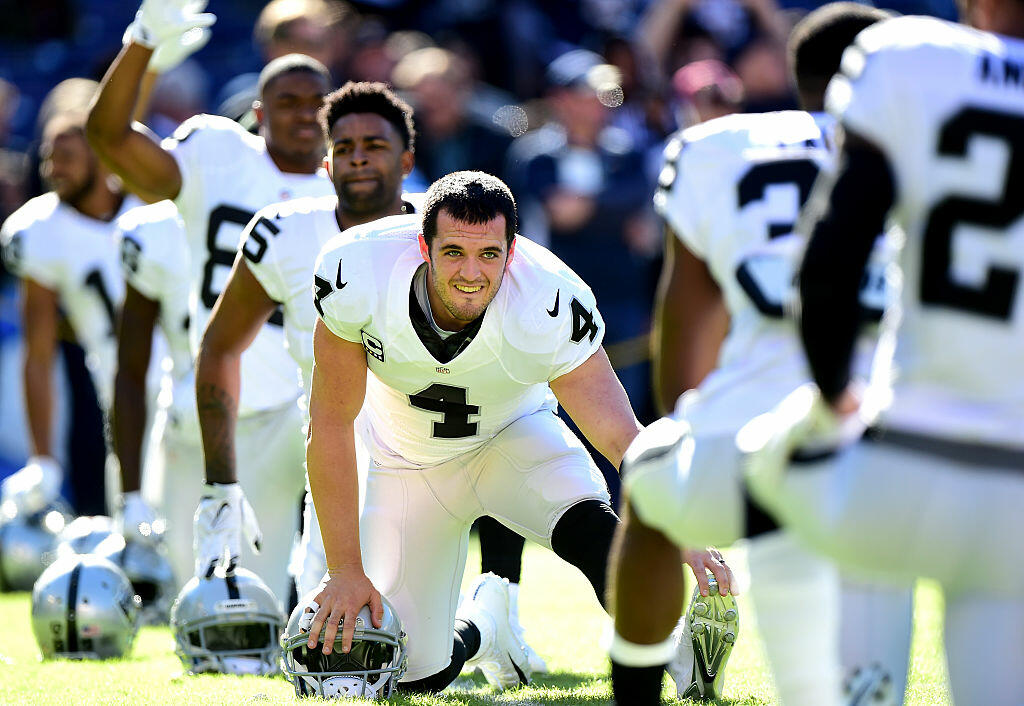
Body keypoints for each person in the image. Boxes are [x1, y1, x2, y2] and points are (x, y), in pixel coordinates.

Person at [301, 171, 731, 693]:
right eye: (453, 251)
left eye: (489, 256)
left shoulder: (547, 299)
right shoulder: (360, 271)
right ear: (423, 245)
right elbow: (329, 422)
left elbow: (621, 435)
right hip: (404, 464)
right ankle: (485, 627)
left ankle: (678, 654)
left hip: (511, 438)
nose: (470, 273)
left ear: (512, 253)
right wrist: (343, 568)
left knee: (589, 527)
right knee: (414, 675)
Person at [610, 5, 903, 705]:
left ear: (802, 81)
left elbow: (683, 336)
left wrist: (691, 431)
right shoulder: (933, 143)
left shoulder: (721, 146)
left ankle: (635, 693)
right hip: (915, 441)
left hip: (755, 429)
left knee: (649, 482)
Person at [743, 0, 1024, 702]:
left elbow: (831, 259)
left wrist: (834, 391)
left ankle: (836, 687)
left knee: (759, 464)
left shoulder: (913, 58)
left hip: (908, 457)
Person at [86, 0, 336, 599]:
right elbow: (108, 138)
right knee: (193, 601)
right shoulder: (217, 156)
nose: (305, 117)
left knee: (277, 602)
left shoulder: (349, 188)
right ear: (257, 113)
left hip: (295, 414)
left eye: (317, 105)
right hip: (203, 410)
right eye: (289, 103)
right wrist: (142, 41)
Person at [196, 80, 416, 602]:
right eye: (344, 149)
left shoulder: (443, 233)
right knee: (331, 648)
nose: (358, 159)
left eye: (375, 146)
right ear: (326, 165)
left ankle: (500, 604)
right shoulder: (284, 234)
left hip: (433, 445)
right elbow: (220, 346)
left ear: (408, 162)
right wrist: (221, 485)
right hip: (334, 456)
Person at [0, 101, 141, 517]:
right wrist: (43, 458)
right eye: (47, 157)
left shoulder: (149, 205)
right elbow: (38, 353)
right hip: (115, 388)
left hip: (176, 373)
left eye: (66, 158)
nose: (52, 169)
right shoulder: (39, 229)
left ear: (100, 158)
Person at [111, 200, 197, 583]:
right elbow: (128, 368)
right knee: (184, 576)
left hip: (291, 413)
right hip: (190, 416)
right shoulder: (155, 232)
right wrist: (130, 493)